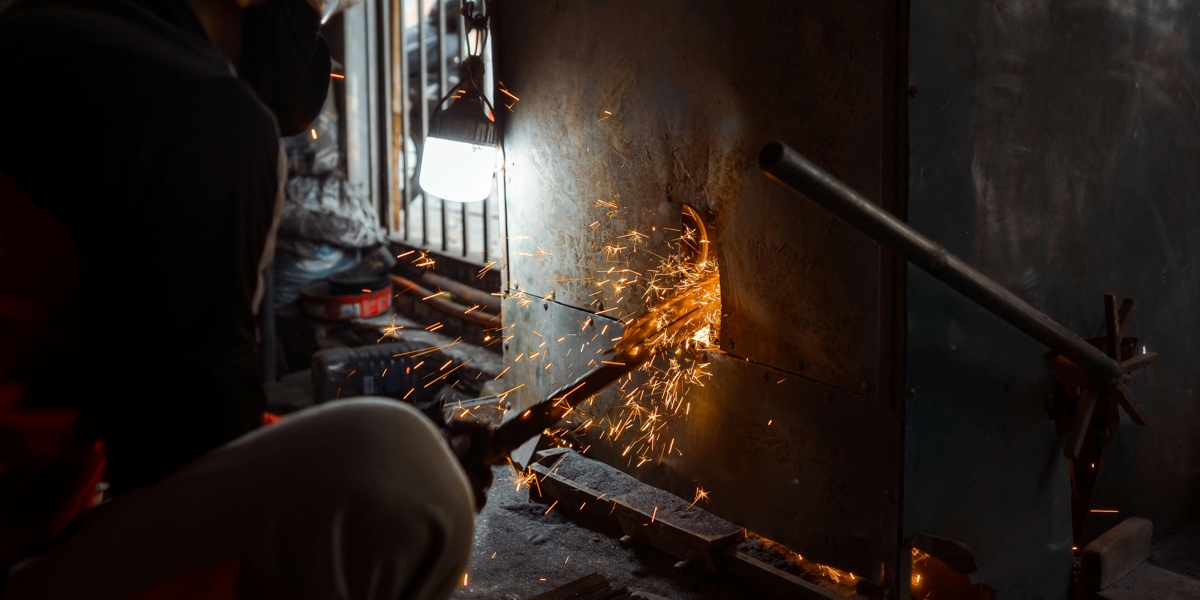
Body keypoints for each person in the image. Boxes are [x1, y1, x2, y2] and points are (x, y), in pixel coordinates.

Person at [0, 0, 490, 597]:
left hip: (38, 494)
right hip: (18, 538)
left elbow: (148, 394)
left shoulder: (42, 30)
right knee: (403, 471)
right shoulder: (191, 106)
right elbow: (180, 457)